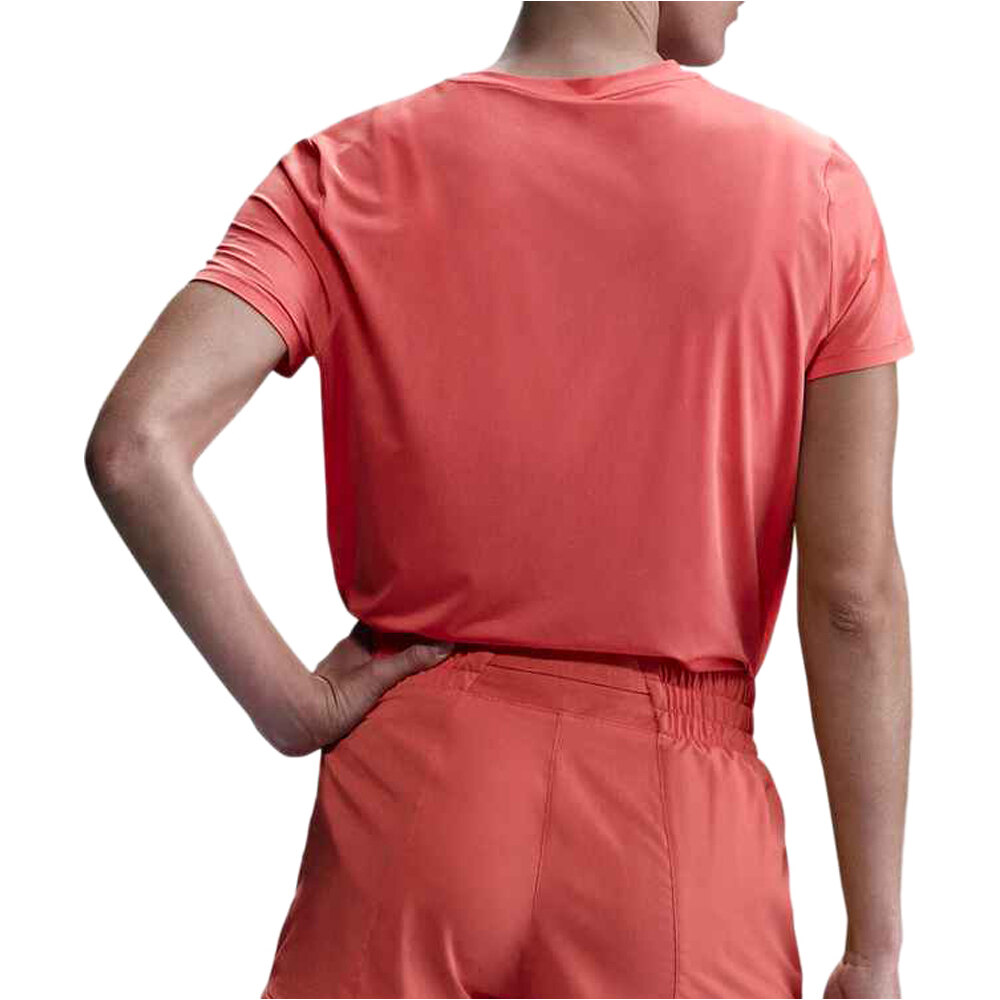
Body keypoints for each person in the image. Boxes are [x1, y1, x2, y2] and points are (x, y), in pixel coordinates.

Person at [84, 2, 914, 997]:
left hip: (416, 798)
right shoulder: (816, 192)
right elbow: (852, 598)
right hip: (679, 838)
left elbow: (136, 445)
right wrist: (873, 949)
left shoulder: (345, 171)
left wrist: (295, 707)